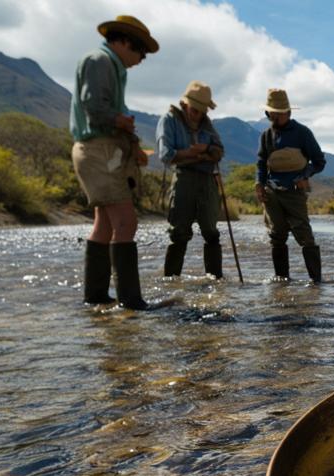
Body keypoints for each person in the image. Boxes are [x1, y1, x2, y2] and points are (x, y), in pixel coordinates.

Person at [70, 14, 158, 309]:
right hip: (99, 150)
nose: (142, 58)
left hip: (98, 150)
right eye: (140, 51)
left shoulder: (109, 64)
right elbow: (93, 106)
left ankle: (96, 298)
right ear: (122, 42)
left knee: (104, 225)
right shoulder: (100, 61)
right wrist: (120, 121)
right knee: (126, 222)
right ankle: (130, 302)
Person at [156, 81, 226, 279]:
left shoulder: (206, 124)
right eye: (194, 110)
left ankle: (215, 280)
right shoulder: (169, 120)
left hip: (207, 180)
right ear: (185, 104)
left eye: (201, 112)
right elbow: (166, 154)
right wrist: (196, 154)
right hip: (184, 178)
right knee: (179, 233)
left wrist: (204, 151)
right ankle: (170, 281)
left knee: (211, 233)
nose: (197, 115)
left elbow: (219, 150)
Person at [256, 89, 326, 283]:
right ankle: (281, 282)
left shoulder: (303, 133)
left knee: (304, 235)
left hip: (296, 192)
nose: (275, 116)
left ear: (288, 112)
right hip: (272, 193)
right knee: (276, 236)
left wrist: (305, 175)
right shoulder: (266, 136)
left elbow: (319, 162)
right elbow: (261, 164)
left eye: (279, 113)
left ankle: (316, 282)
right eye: (272, 113)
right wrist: (259, 185)